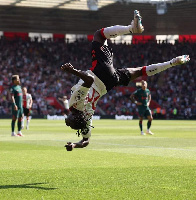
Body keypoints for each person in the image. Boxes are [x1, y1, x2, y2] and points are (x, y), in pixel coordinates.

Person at [62, 10, 190, 151]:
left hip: (110, 84)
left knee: (140, 71)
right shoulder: (74, 104)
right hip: (99, 73)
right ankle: (131, 29)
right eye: (70, 123)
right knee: (99, 35)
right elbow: (88, 80)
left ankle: (172, 62)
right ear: (74, 115)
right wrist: (72, 71)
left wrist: (74, 145)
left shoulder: (86, 120)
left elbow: (86, 141)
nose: (67, 123)